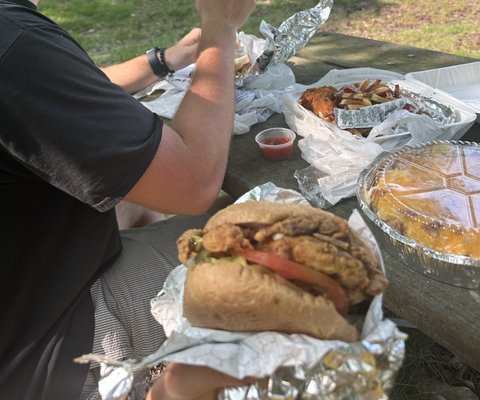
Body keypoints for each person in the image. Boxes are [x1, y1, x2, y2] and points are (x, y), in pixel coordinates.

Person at [0, 0, 257, 399]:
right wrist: (220, 32)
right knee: (267, 235)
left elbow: (63, 89)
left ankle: (171, 335)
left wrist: (165, 60)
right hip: (42, 358)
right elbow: (194, 179)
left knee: (138, 197)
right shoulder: (12, 42)